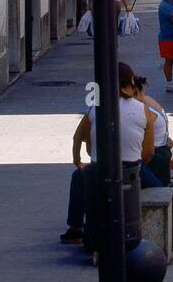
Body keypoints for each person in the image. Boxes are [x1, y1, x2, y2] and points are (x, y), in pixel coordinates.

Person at [60, 63, 155, 245]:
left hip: (99, 169)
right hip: (131, 169)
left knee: (78, 177)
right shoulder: (143, 110)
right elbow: (149, 151)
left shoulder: (96, 108)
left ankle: (76, 228)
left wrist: (78, 162)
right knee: (159, 185)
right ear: (131, 82)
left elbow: (77, 137)